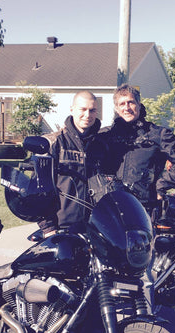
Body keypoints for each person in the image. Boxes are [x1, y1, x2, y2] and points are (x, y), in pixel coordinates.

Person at [98, 84, 175, 211]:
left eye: (130, 102)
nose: (127, 108)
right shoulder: (104, 135)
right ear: (116, 108)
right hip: (111, 206)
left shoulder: (158, 134)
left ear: (138, 104)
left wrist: (160, 186)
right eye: (122, 104)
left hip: (145, 207)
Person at [38, 90, 103, 237]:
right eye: (83, 109)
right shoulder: (54, 143)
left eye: (92, 110)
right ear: (72, 109)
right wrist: (48, 229)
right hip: (62, 229)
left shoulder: (102, 145)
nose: (88, 115)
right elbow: (39, 190)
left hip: (97, 229)